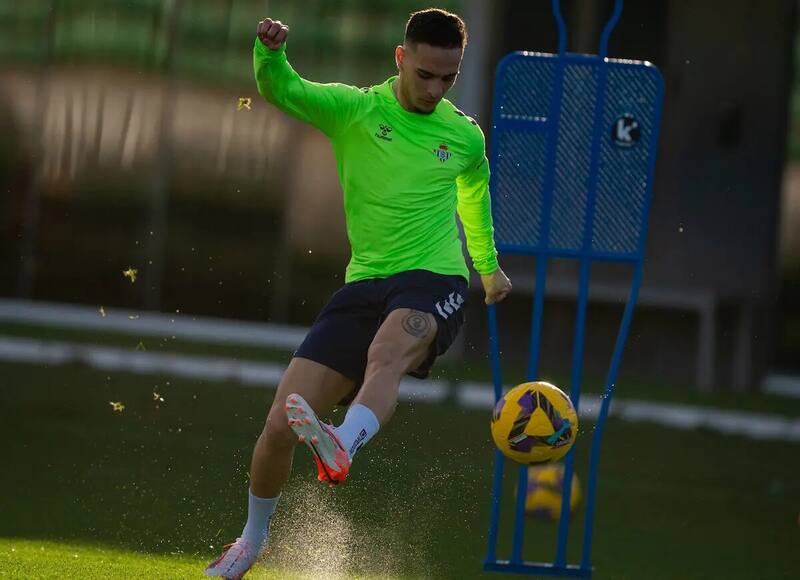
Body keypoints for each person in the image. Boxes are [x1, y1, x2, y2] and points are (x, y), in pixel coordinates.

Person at [205, 8, 511, 578]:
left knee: (387, 351)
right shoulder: (355, 111)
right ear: (401, 58)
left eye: (449, 77)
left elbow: (474, 198)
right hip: (364, 281)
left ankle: (343, 442)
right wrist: (270, 53)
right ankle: (251, 541)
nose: (436, 88)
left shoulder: (465, 136)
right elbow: (283, 90)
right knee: (278, 426)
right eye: (426, 74)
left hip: (434, 279)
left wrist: (488, 270)